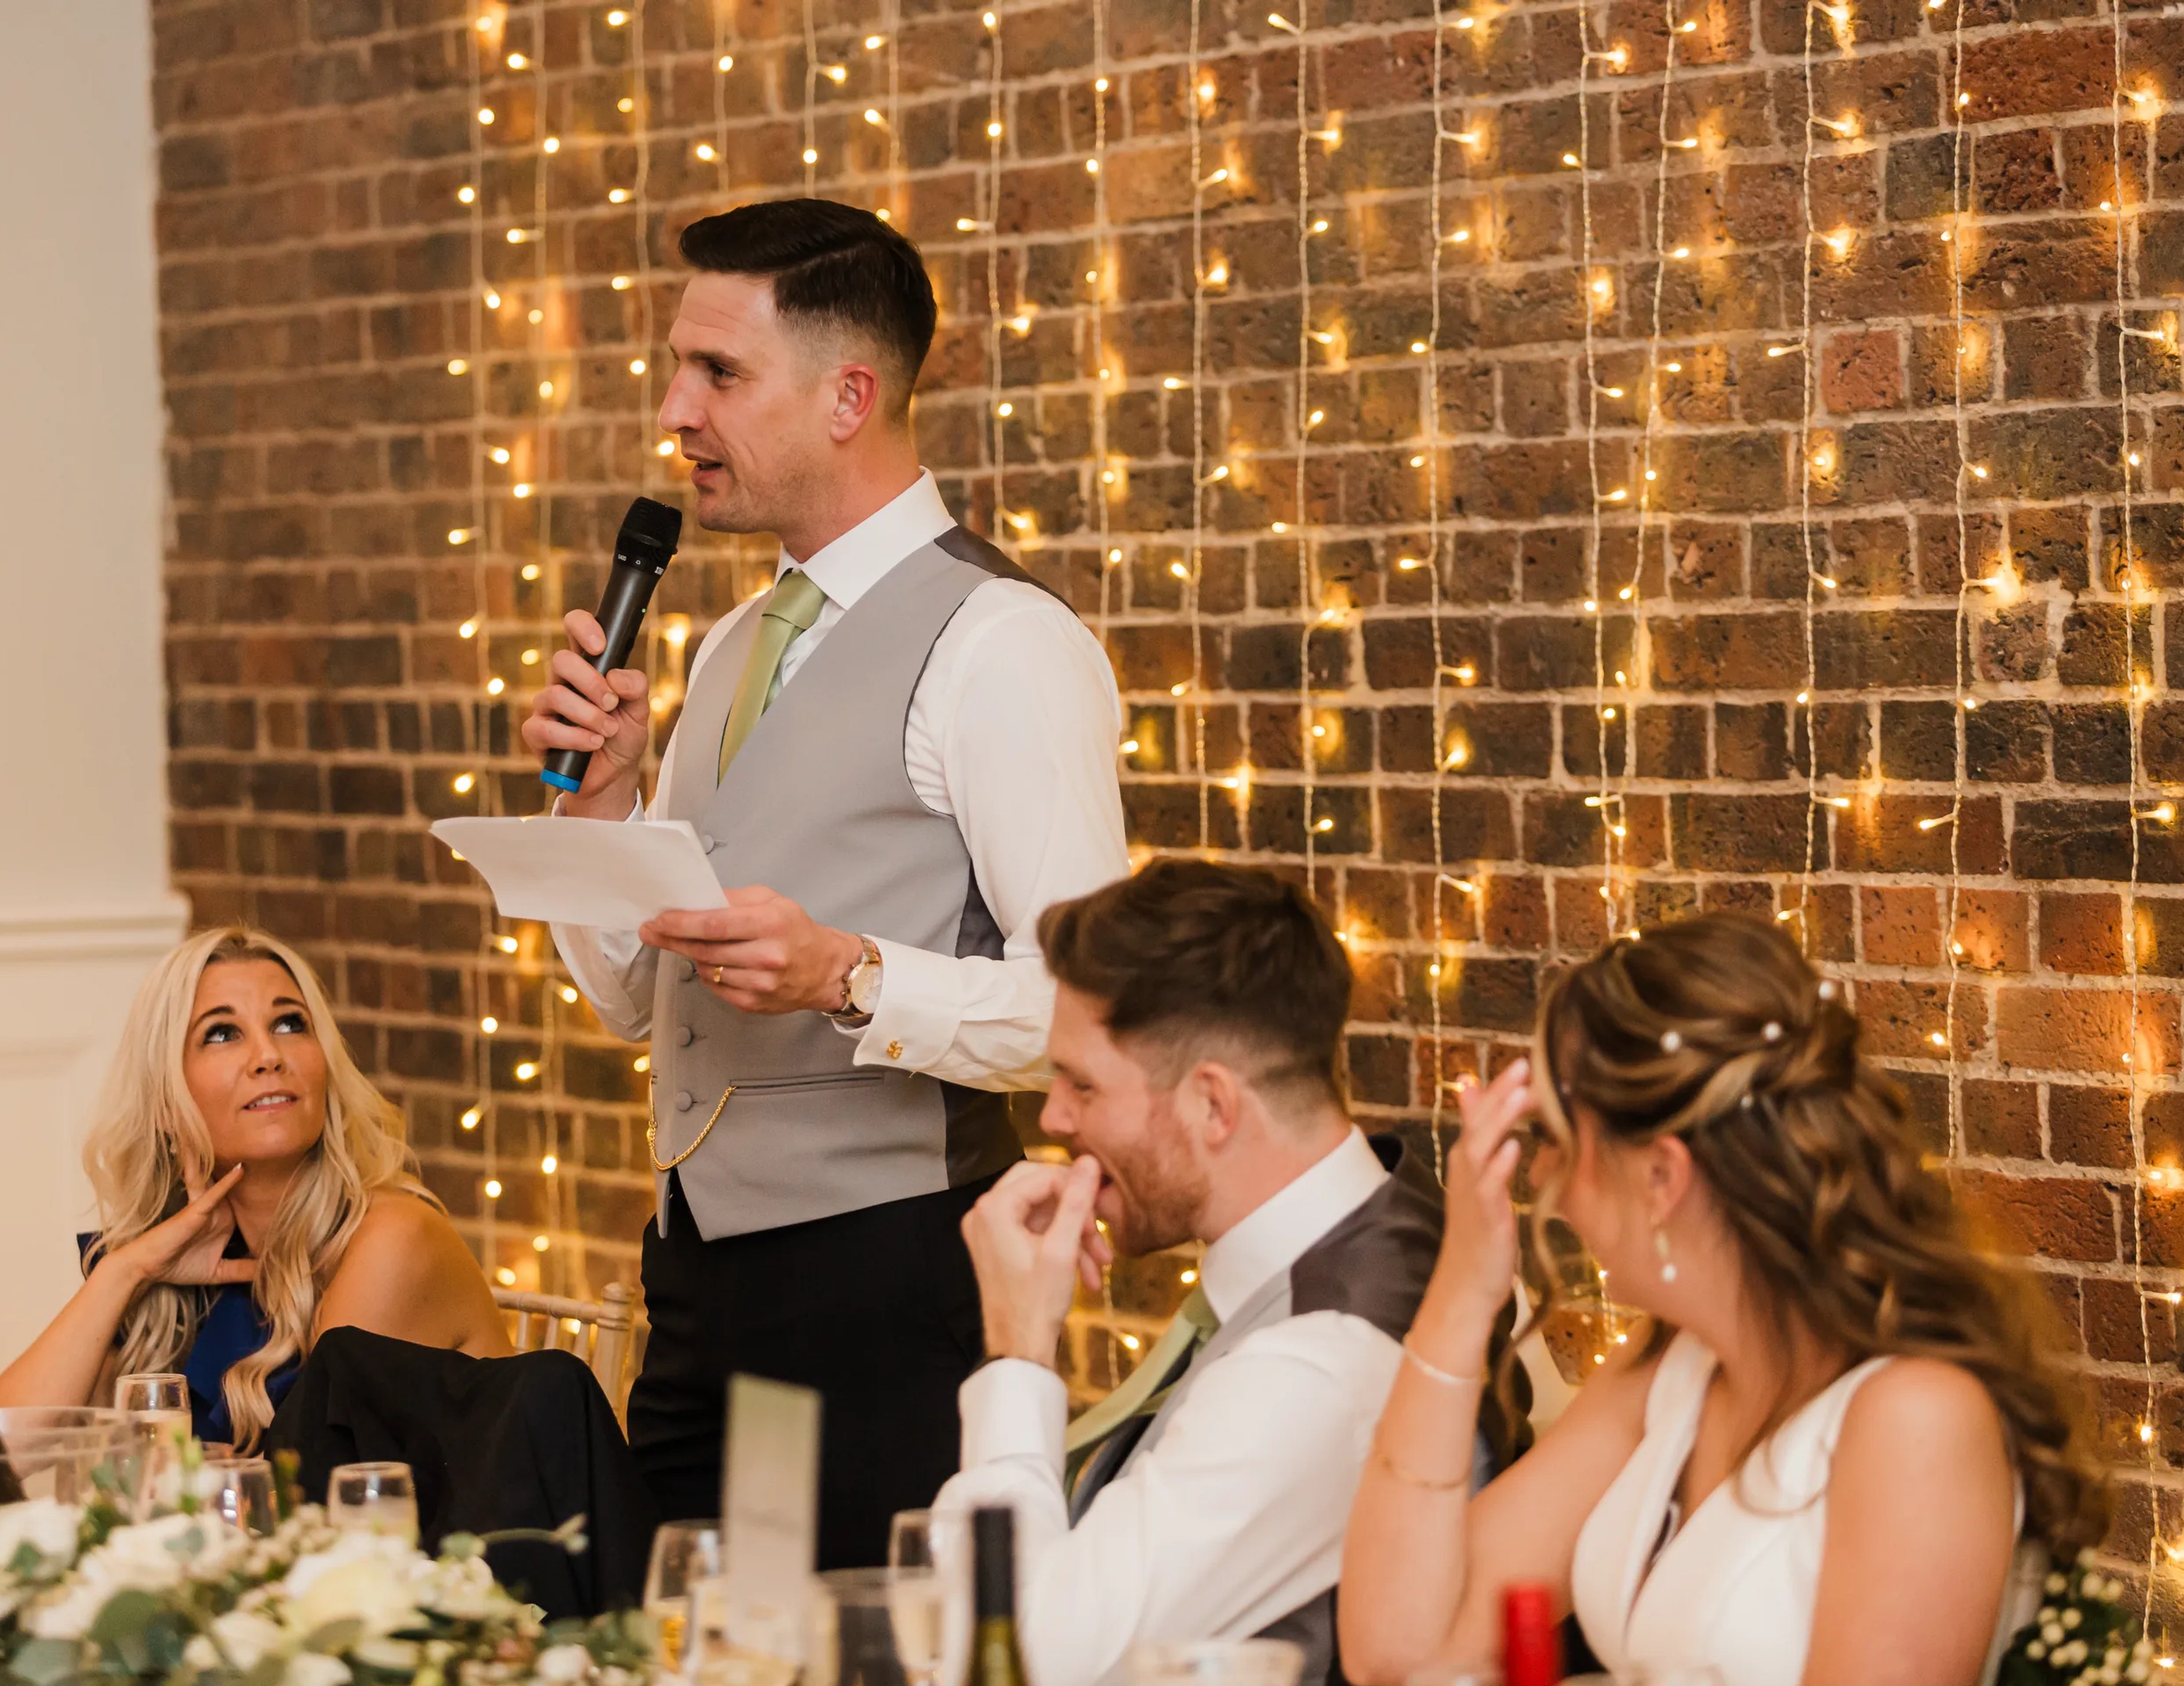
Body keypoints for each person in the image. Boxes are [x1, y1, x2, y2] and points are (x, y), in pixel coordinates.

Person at [521, 196, 1125, 1565]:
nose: (676, 408)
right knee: (682, 1636)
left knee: (870, 1654)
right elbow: (634, 1000)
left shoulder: (1002, 643)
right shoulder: (730, 643)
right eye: (679, 367)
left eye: (719, 373)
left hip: (890, 1276)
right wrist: (608, 799)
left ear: (851, 393)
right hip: (697, 1279)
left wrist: (851, 974)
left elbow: (1098, 1009)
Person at [1339, 913, 2101, 1686]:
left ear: (1663, 1178)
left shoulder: (1914, 1418)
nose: (1544, 1187)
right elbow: (1402, 1653)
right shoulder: (1669, 1363)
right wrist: (1463, 1291)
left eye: (1561, 1145)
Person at [932, 861, 1520, 1686]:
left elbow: (1014, 1659)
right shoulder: (1372, 1213)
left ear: (1214, 1105)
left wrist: (1018, 1354)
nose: (1054, 1116)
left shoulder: (1316, 1366)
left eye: (1082, 1083)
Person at [0, 926, 510, 1448]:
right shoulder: (181, 1276)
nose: (268, 1056)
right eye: (222, 1034)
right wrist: (127, 1270)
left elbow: (305, 1490)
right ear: (167, 1102)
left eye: (289, 1024)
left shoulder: (394, 1239)